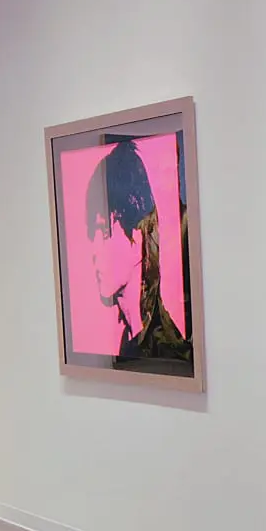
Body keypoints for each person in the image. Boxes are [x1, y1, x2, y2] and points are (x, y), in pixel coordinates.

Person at [84, 139, 192, 367]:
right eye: (92, 233)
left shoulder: (165, 352)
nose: (93, 249)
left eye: (104, 232)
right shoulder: (130, 346)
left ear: (137, 236)